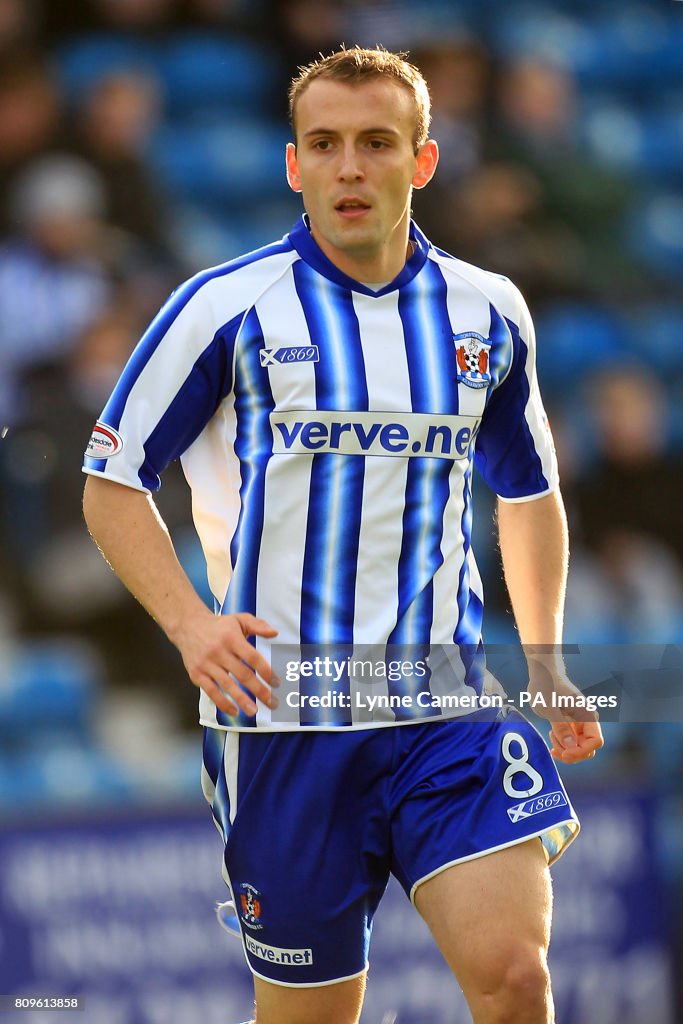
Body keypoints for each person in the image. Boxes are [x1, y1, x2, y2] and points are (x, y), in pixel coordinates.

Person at [82, 46, 603, 1024]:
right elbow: (110, 483)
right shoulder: (221, 307)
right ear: (293, 166)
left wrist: (544, 658)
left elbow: (527, 491)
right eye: (323, 144)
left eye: (375, 143)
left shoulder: (485, 312)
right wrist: (192, 626)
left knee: (516, 977)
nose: (349, 166)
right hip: (285, 725)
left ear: (423, 161)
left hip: (444, 712)